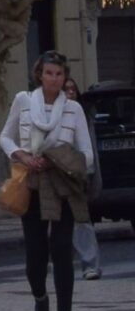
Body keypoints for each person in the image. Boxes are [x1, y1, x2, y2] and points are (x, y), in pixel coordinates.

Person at [1, 50, 95, 311]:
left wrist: (60, 159)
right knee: (36, 254)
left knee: (62, 249)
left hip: (63, 185)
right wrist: (22, 156)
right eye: (49, 73)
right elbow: (5, 136)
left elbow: (87, 155)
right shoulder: (24, 101)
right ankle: (40, 298)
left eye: (59, 74)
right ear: (39, 75)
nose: (54, 79)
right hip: (32, 183)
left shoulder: (73, 110)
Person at [65, 74, 102, 282]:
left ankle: (90, 264)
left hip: (78, 175)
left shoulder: (83, 116)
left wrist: (90, 172)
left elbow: (91, 149)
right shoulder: (52, 115)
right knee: (59, 220)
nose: (70, 92)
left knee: (81, 220)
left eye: (73, 89)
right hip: (56, 175)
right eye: (66, 89)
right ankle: (62, 261)